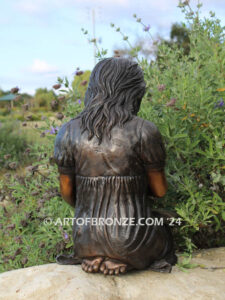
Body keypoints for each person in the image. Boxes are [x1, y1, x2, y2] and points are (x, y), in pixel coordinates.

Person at [54, 57, 177, 275]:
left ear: (92, 89)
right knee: (164, 224)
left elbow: (66, 193)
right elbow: (160, 191)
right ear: (132, 92)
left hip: (85, 237)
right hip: (131, 239)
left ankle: (96, 253)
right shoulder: (144, 130)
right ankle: (124, 256)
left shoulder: (67, 131)